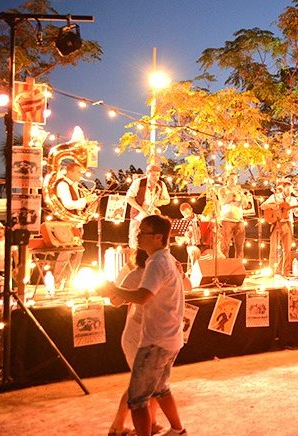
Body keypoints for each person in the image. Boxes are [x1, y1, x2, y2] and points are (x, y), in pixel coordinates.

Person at [99, 215, 186, 436]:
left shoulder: (157, 263)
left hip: (155, 341)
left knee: (137, 399)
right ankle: (177, 430)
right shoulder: (163, 261)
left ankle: (123, 428)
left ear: (158, 237)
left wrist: (113, 289)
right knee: (160, 389)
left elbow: (143, 296)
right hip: (168, 337)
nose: (138, 236)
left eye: (143, 233)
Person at [107, 250, 164, 436]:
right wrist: (115, 289)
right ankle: (117, 427)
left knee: (154, 383)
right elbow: (115, 301)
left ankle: (152, 422)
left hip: (154, 334)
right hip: (136, 336)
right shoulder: (137, 274)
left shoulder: (161, 270)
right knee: (140, 383)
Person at [260, 179, 298, 276]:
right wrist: (276, 206)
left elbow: (296, 213)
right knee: (273, 248)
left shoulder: (293, 200)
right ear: (283, 188)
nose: (288, 188)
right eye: (286, 186)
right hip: (275, 223)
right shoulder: (275, 197)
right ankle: (271, 271)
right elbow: (263, 206)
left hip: (287, 223)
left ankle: (286, 271)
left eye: (290, 186)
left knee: (287, 249)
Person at [126, 164, 170, 250]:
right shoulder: (138, 182)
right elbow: (128, 198)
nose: (156, 178)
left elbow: (167, 200)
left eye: (158, 175)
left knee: (152, 238)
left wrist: (158, 202)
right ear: (147, 173)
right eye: (153, 175)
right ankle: (135, 257)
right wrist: (141, 210)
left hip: (152, 214)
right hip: (138, 214)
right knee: (134, 239)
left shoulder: (161, 185)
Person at [217, 172, 247, 259]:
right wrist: (232, 195)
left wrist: (241, 195)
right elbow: (223, 201)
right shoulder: (222, 190)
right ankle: (225, 269)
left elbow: (245, 204)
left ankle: (238, 268)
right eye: (231, 179)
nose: (234, 181)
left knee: (240, 247)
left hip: (239, 221)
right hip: (227, 220)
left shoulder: (239, 191)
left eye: (235, 179)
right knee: (225, 247)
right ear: (227, 179)